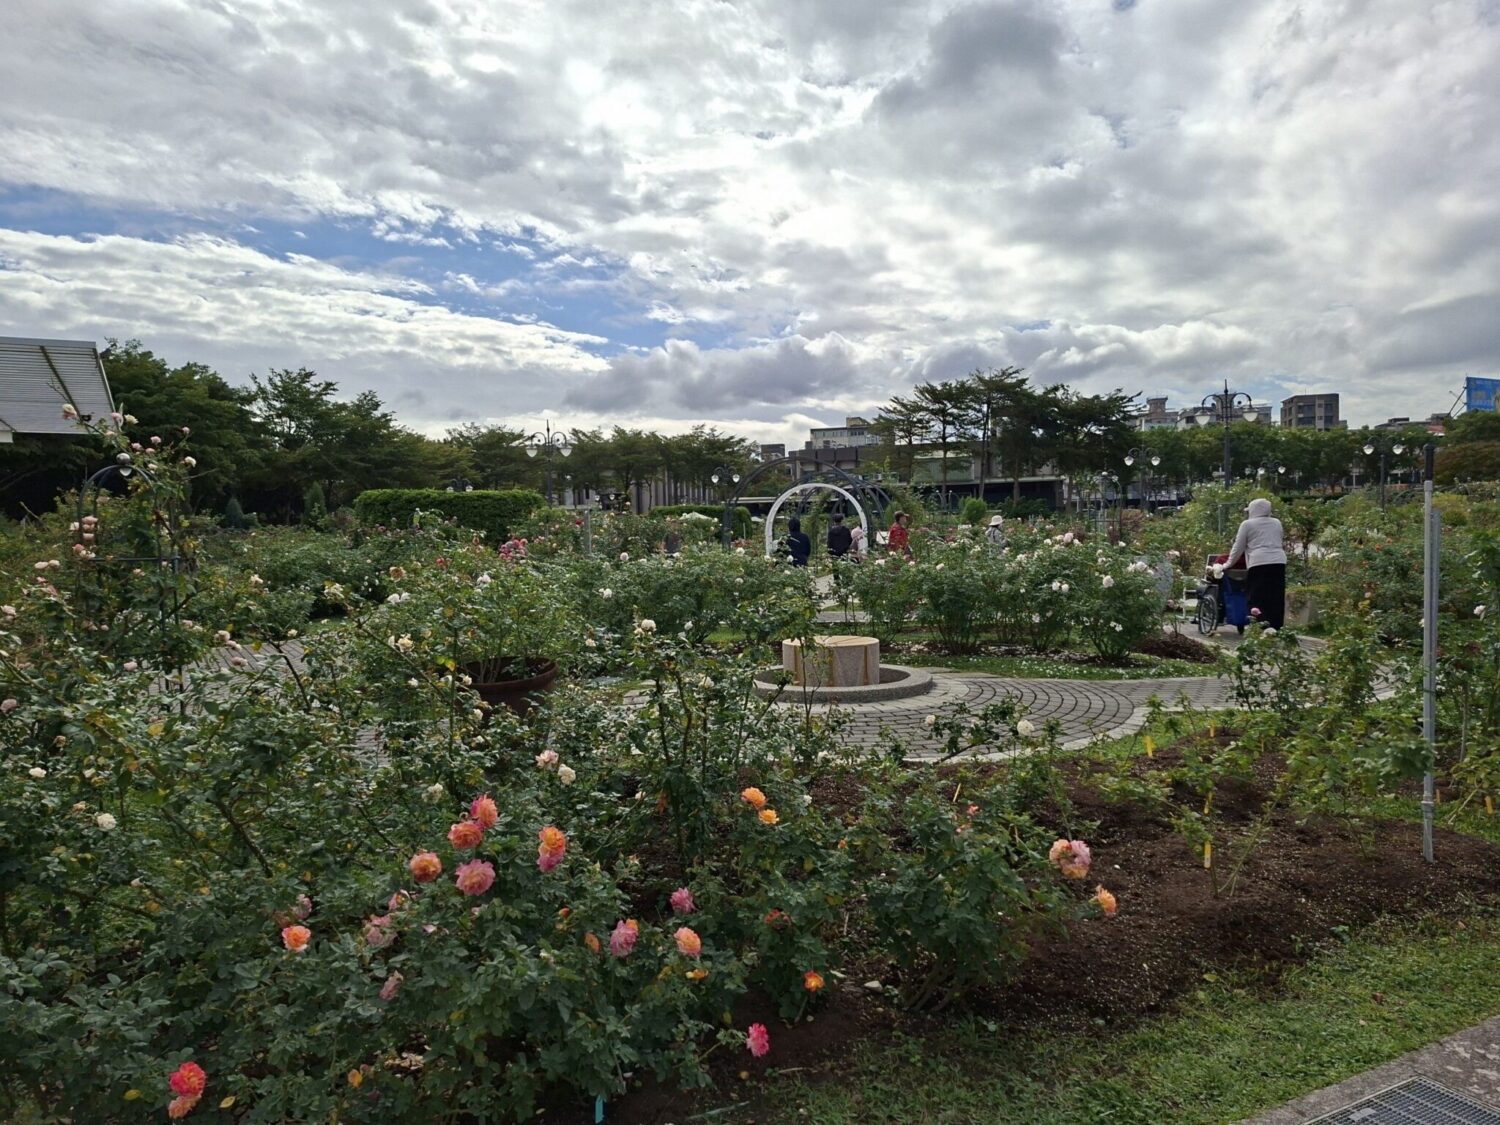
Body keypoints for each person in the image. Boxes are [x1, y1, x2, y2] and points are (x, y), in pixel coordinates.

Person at [1227, 497, 1287, 629]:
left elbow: (1238, 547)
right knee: (1276, 595)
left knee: (1256, 595)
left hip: (1259, 562)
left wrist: (1228, 564)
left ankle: (1258, 625)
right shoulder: (1276, 522)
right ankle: (1275, 626)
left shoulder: (1247, 524)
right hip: (1278, 561)